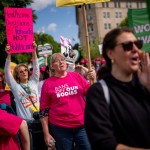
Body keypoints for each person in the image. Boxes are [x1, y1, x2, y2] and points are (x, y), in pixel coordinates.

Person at [84, 27, 150, 150]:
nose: (136, 49)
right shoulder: (99, 92)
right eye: (128, 46)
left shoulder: (145, 85)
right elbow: (103, 144)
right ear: (110, 53)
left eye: (137, 44)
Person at [40, 53, 96, 150]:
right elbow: (43, 111)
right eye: (57, 60)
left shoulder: (76, 76)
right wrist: (46, 134)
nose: (61, 62)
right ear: (52, 66)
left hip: (81, 125)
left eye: (62, 59)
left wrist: (93, 79)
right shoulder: (47, 84)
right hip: (60, 128)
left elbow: (93, 94)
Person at [4, 41, 40, 120]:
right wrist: (9, 54)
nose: (24, 72)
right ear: (17, 75)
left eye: (25, 70)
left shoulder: (34, 82)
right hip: (25, 124)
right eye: (21, 72)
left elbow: (36, 66)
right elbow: (7, 72)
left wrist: (34, 51)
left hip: (39, 120)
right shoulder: (15, 87)